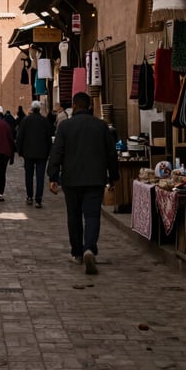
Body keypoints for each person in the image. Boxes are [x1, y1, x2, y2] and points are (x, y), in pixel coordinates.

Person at [47, 91, 119, 275]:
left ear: (74, 106)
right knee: (93, 215)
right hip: (95, 178)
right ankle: (89, 248)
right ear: (89, 107)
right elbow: (111, 154)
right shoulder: (101, 126)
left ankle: (77, 252)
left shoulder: (65, 127)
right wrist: (114, 177)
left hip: (71, 179)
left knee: (74, 216)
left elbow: (57, 152)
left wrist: (53, 176)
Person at [16, 100, 53, 208]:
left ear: (32, 109)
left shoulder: (25, 120)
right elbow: (48, 137)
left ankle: (29, 196)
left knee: (29, 175)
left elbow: (20, 136)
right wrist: (49, 151)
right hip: (42, 153)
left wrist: (20, 151)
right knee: (40, 176)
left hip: (28, 153)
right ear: (39, 109)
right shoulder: (44, 121)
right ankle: (38, 199)